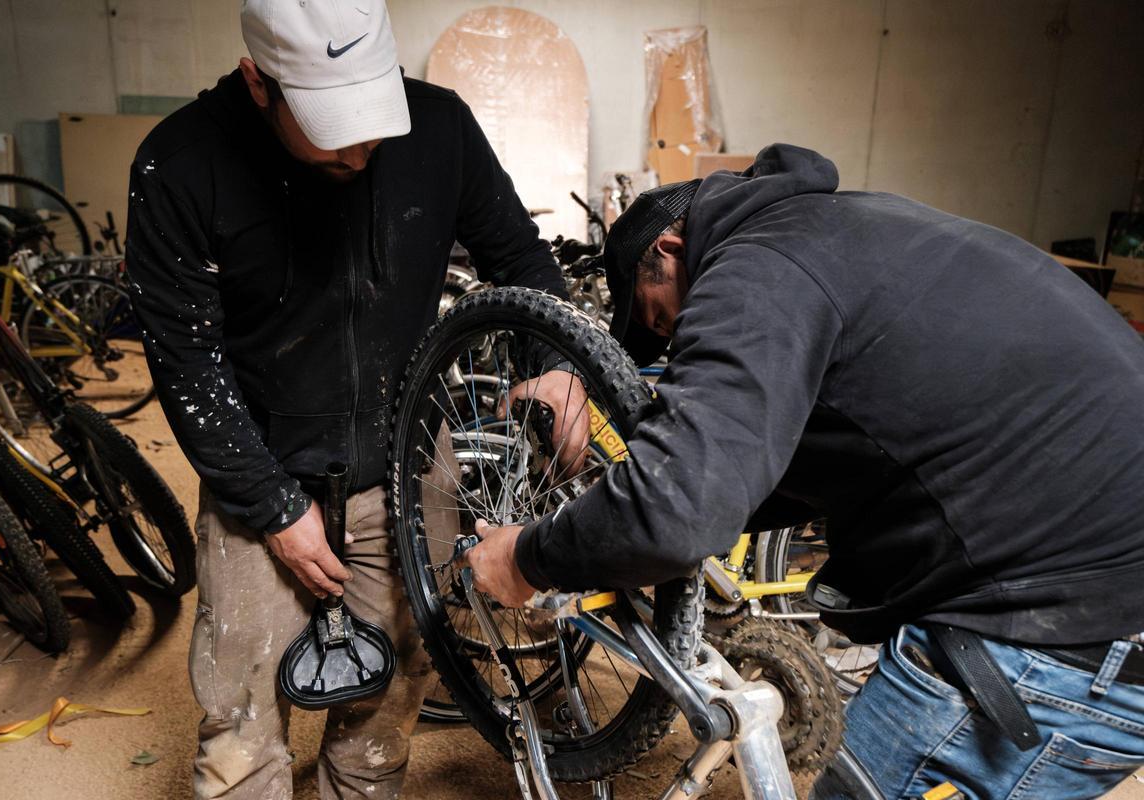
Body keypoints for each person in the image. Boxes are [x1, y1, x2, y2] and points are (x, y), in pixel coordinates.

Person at [466, 143, 1144, 798]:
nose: (673, 338)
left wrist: (529, 555)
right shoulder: (845, 225)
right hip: (1096, 588)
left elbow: (676, 509)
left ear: (668, 253)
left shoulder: (754, 269)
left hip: (1060, 629)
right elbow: (791, 457)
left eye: (659, 318)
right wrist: (629, 499)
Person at [125, 1, 586, 797]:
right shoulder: (182, 162)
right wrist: (270, 505)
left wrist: (555, 364)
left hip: (406, 459)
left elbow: (523, 264)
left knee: (387, 702)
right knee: (240, 722)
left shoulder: (438, 130)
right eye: (333, 129)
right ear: (257, 83)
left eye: (374, 118)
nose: (363, 147)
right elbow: (186, 362)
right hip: (260, 462)